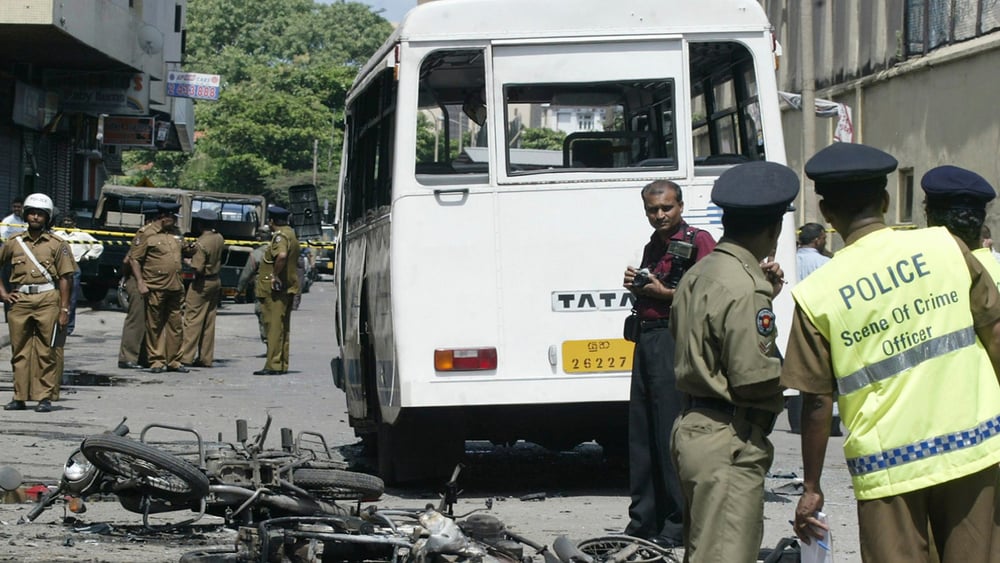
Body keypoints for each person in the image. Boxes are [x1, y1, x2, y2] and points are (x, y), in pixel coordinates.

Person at [782, 143, 1000, 563]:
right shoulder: (946, 248)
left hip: (887, 467)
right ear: (885, 200)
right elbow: (994, 335)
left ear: (827, 215)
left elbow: (816, 402)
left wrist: (811, 487)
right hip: (972, 450)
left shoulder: (817, 295)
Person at [669, 162, 798, 562]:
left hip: (696, 427)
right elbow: (751, 378)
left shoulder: (702, 271)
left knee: (704, 550)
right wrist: (801, 373)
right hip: (730, 436)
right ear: (773, 229)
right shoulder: (745, 288)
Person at [621, 180, 716, 548]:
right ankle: (643, 520)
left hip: (672, 337)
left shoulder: (698, 241)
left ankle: (677, 523)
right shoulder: (653, 245)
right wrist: (638, 284)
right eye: (652, 210)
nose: (659, 215)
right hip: (645, 338)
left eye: (666, 208)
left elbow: (710, 293)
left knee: (668, 433)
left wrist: (664, 294)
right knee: (641, 432)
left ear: (680, 206)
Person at [0, 193, 75, 413]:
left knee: (47, 350)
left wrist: (64, 308)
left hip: (47, 299)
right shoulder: (14, 243)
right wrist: (3, 294)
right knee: (19, 351)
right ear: (25, 215)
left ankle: (44, 397)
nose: (35, 217)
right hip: (20, 300)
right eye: (31, 213)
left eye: (40, 214)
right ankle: (19, 396)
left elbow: (65, 278)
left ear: (47, 217)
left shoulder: (57, 245)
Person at [128, 202, 189, 374]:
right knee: (155, 325)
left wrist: (190, 249)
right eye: (172, 217)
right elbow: (135, 259)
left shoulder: (176, 233)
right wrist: (140, 282)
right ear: (163, 217)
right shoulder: (146, 233)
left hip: (175, 285)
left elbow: (182, 251)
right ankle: (156, 360)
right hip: (156, 285)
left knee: (176, 324)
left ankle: (175, 360)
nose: (174, 220)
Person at [254, 206, 299, 375]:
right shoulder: (291, 234)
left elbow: (281, 255)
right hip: (287, 287)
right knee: (283, 327)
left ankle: (273, 364)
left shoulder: (280, 236)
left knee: (273, 327)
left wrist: (274, 275)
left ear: (272, 221)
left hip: (275, 290)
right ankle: (281, 363)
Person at [180, 209, 225, 367]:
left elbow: (197, 267)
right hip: (215, 280)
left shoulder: (201, 243)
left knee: (192, 320)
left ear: (200, 224)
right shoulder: (219, 238)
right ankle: (206, 358)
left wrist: (187, 261)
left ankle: (186, 357)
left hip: (202, 282)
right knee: (208, 321)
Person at [53, 215, 104, 335]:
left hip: (73, 266)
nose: (66, 222)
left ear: (74, 222)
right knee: (56, 297)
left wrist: (87, 256)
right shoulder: (57, 234)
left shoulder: (81, 235)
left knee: (72, 299)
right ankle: (55, 324)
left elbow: (98, 246)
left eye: (69, 220)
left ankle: (68, 327)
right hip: (58, 267)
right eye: (65, 220)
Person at [237, 226, 270, 344]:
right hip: (279, 291)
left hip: (262, 290)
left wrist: (239, 290)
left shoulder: (256, 254)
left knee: (262, 314)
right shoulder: (280, 251)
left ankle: (268, 343)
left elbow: (246, 274)